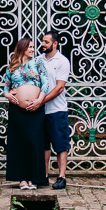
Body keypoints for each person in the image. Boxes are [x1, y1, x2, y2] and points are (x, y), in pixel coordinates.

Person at [4, 37, 51, 190]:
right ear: (22, 48)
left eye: (33, 47)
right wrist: (8, 95)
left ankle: (34, 178)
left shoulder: (38, 63)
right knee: (19, 143)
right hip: (17, 111)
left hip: (35, 109)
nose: (32, 49)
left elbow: (45, 83)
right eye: (30, 47)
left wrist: (39, 101)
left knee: (34, 141)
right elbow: (5, 88)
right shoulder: (12, 66)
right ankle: (22, 179)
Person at [39, 31, 71, 190]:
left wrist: (41, 101)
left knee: (60, 144)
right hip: (40, 111)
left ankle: (61, 177)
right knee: (44, 145)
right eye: (43, 42)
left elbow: (59, 88)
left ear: (55, 44)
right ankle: (44, 176)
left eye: (46, 42)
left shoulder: (63, 61)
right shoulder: (38, 60)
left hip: (57, 110)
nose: (43, 44)